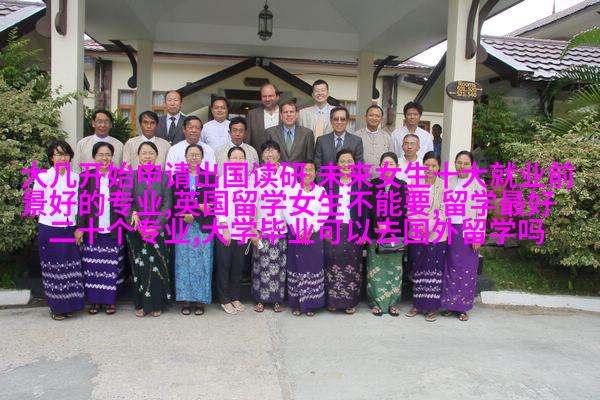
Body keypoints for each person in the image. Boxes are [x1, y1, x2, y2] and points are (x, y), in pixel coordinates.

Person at [33, 140, 84, 320]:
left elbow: (80, 205)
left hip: (70, 229)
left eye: (65, 154)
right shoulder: (43, 177)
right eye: (58, 154)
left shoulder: (76, 178)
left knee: (69, 268)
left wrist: (79, 228)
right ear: (51, 157)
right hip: (50, 229)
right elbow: (36, 206)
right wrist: (46, 224)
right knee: (54, 269)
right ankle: (56, 308)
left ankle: (69, 305)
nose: (62, 158)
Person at [75, 141, 125, 315]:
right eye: (101, 155)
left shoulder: (119, 176)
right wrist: (80, 227)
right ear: (94, 157)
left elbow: (126, 202)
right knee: (93, 268)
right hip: (93, 230)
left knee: (111, 268)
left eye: (108, 155)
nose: (104, 158)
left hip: (113, 229)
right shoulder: (86, 177)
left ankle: (110, 302)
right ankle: (95, 302)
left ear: (112, 157)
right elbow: (82, 205)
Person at [125, 142, 173, 317]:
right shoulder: (131, 176)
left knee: (157, 266)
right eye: (144, 153)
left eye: (151, 153)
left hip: (158, 230)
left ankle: (156, 304)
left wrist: (155, 227)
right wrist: (137, 225)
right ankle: (140, 303)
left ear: (157, 156)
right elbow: (124, 202)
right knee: (139, 267)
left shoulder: (165, 177)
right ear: (138, 156)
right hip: (136, 230)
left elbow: (167, 204)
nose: (147, 156)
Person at [441, 151, 487, 322]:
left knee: (466, 269)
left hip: (468, 231)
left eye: (466, 163)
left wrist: (477, 236)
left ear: (472, 166)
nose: (462, 166)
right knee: (450, 267)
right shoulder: (449, 181)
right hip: (449, 229)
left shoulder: (478, 185)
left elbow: (481, 212)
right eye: (459, 162)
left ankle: (462, 307)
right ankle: (449, 305)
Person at [250, 140, 294, 313]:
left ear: (279, 154)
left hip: (282, 225)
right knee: (260, 264)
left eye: (273, 151)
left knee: (280, 264)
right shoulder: (256, 174)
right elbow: (252, 202)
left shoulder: (288, 172)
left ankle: (277, 299)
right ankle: (260, 299)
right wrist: (253, 228)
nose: (270, 154)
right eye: (266, 151)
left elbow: (293, 200)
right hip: (262, 225)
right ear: (261, 156)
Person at [323, 149, 367, 314]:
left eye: (349, 161)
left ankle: (350, 302)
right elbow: (323, 210)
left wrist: (364, 233)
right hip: (334, 229)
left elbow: (366, 211)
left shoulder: (362, 185)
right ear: (336, 164)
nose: (346, 164)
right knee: (332, 265)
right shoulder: (329, 184)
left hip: (354, 230)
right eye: (342, 161)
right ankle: (333, 301)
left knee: (352, 267)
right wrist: (326, 229)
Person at [405, 151, 447, 322]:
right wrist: (419, 224)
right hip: (417, 234)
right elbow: (409, 208)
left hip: (436, 235)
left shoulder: (444, 186)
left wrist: (428, 225)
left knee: (433, 270)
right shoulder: (414, 184)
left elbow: (444, 211)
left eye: (433, 165)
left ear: (439, 167)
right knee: (418, 269)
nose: (430, 168)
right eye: (427, 165)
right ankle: (417, 304)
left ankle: (432, 307)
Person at [173, 144, 215, 316]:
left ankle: (200, 300)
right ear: (185, 157)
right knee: (183, 263)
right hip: (183, 225)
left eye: (197, 155)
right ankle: (185, 300)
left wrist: (195, 212)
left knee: (203, 263)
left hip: (203, 226)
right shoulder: (177, 177)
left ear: (202, 158)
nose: (194, 157)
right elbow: (174, 201)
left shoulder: (210, 177)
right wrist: (195, 208)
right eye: (191, 154)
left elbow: (212, 203)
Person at [366, 152, 407, 317]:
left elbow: (404, 209)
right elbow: (368, 207)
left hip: (396, 234)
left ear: (397, 167)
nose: (387, 167)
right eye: (384, 164)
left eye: (391, 164)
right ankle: (376, 303)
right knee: (376, 269)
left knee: (394, 270)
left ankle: (393, 303)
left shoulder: (402, 186)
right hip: (376, 234)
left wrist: (389, 224)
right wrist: (378, 223)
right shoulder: (372, 184)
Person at [284, 160, 326, 316]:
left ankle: (311, 304)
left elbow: (324, 212)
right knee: (296, 267)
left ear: (315, 173)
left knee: (312, 267)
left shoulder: (320, 191)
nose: (307, 173)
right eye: (304, 170)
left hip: (314, 235)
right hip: (295, 234)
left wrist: (311, 229)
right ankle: (296, 303)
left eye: (310, 170)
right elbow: (287, 210)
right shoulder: (291, 190)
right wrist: (297, 229)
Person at [215, 146, 251, 315]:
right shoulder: (222, 180)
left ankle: (235, 296)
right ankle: (224, 299)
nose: (237, 161)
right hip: (226, 231)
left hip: (242, 231)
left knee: (238, 266)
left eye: (240, 158)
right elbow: (219, 206)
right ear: (228, 161)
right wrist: (225, 229)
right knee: (224, 265)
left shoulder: (248, 181)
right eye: (234, 158)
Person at [354, 105, 394, 177]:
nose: (374, 118)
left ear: (381, 119)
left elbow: (391, 158)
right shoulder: (356, 136)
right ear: (365, 117)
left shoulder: (387, 136)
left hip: (381, 179)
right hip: (361, 178)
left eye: (377, 116)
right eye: (371, 115)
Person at [246, 83, 280, 154]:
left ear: (277, 97)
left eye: (270, 96)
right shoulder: (252, 115)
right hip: (258, 158)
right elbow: (247, 140)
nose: (267, 99)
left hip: (281, 159)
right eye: (264, 96)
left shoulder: (285, 114)